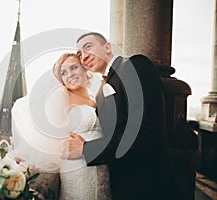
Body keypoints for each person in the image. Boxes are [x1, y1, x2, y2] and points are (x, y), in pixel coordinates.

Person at [67, 32, 178, 199]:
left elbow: (144, 132)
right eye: (79, 54)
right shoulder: (98, 93)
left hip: (149, 184)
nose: (83, 56)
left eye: (88, 47)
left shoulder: (134, 66)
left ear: (107, 47)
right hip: (118, 186)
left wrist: (86, 150)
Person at [10, 52, 111, 200]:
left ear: (84, 69)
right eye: (64, 73)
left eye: (74, 68)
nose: (70, 74)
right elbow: (47, 134)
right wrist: (17, 156)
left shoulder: (94, 95)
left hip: (101, 167)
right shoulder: (61, 95)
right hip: (77, 169)